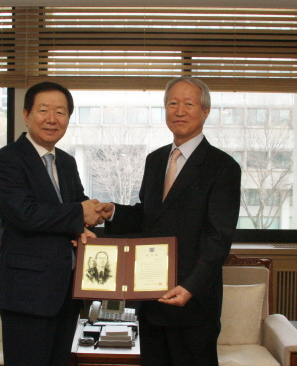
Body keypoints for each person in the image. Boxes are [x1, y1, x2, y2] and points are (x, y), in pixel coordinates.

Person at [99, 77, 242, 366]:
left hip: (193, 304)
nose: (179, 111)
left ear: (205, 111)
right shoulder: (155, 160)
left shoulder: (222, 167)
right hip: (152, 298)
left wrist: (191, 287)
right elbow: (148, 217)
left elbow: (218, 237)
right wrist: (113, 212)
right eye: (172, 103)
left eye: (189, 104)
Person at [0, 81, 103, 366]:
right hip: (27, 293)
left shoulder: (66, 161)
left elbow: (77, 205)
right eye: (43, 110)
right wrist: (80, 215)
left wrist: (99, 213)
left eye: (61, 112)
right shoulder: (7, 160)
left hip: (67, 290)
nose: (52, 119)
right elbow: (25, 214)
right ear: (26, 114)